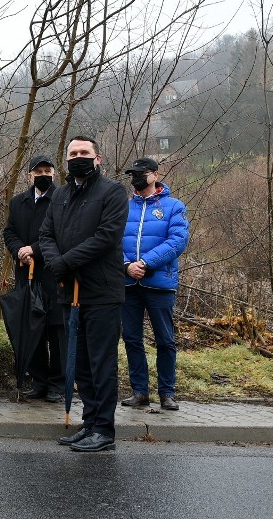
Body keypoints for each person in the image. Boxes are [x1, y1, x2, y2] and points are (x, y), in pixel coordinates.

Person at [39, 136, 128, 452]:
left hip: (102, 291)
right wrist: (56, 264)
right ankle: (89, 422)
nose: (78, 157)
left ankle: (104, 429)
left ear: (98, 158)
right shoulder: (60, 195)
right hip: (69, 291)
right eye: (73, 153)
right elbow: (46, 235)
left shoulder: (113, 192)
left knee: (101, 362)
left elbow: (106, 237)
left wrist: (65, 262)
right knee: (80, 364)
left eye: (84, 153)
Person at [120, 157, 190, 411]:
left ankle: (167, 393)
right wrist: (127, 265)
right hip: (128, 282)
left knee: (165, 340)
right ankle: (139, 391)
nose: (136, 178)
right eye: (133, 174)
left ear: (155, 175)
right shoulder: (124, 207)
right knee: (131, 338)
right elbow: (112, 241)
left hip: (159, 283)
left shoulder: (173, 206)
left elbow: (177, 241)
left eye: (141, 173)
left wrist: (145, 263)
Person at [2, 155, 65, 402]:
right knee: (33, 330)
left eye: (47, 170)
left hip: (55, 275)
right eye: (38, 171)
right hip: (27, 275)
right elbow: (10, 232)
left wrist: (34, 249)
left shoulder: (63, 199)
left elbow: (62, 234)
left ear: (55, 174)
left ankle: (58, 384)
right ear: (29, 176)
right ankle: (39, 380)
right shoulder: (19, 202)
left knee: (57, 331)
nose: (43, 174)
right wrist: (20, 249)